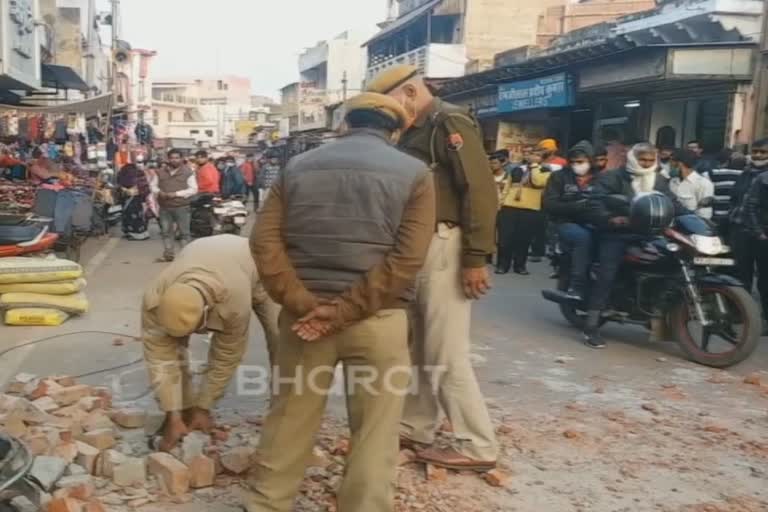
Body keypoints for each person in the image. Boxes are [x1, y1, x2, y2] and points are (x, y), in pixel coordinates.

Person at [244, 92, 435, 512]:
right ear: (396, 132)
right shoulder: (415, 172)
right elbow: (407, 260)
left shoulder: (297, 167)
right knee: (375, 429)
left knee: (289, 418)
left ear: (345, 124)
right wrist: (345, 311)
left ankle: (266, 504)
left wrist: (302, 302)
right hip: (378, 319)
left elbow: (263, 241)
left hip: (303, 319)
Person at [367, 64, 500, 470]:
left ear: (409, 92)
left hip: (446, 242)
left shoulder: (448, 121)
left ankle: (477, 445)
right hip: (418, 246)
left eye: (392, 104)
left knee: (445, 350)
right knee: (419, 345)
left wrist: (475, 257)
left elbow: (479, 191)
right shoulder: (413, 129)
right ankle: (417, 425)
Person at [142, 234, 280, 452]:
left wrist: (204, 405)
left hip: (256, 265)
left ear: (205, 316)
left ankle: (283, 413)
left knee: (280, 337)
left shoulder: (234, 301)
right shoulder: (155, 298)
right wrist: (173, 412)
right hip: (204, 254)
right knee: (172, 348)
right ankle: (182, 415)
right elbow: (160, 357)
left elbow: (227, 354)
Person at [585, 143, 680, 348]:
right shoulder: (611, 177)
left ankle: (655, 314)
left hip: (650, 234)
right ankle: (591, 326)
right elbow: (595, 203)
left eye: (650, 160)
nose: (646, 164)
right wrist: (612, 219)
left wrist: (693, 218)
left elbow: (674, 203)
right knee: (607, 274)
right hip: (616, 234)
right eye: (642, 159)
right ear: (632, 158)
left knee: (671, 264)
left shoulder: (660, 180)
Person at [543, 141, 599, 300]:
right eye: (573, 162)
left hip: (596, 222)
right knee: (582, 238)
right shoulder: (559, 177)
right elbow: (550, 204)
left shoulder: (601, 178)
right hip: (564, 223)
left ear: (590, 160)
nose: (577, 165)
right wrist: (578, 206)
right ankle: (576, 286)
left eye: (581, 161)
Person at [729, 138, 768, 318]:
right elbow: (735, 199)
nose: (758, 155)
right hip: (740, 231)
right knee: (741, 273)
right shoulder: (745, 173)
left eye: (763, 152)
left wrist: (760, 231)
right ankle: (742, 314)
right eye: (756, 151)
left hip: (762, 233)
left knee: (765, 279)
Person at [496, 149, 551, 275]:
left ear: (542, 159)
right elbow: (507, 187)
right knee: (505, 238)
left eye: (537, 155)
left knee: (524, 239)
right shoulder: (517, 169)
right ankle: (502, 265)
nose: (532, 157)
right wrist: (501, 203)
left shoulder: (545, 171)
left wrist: (534, 166)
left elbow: (538, 181)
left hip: (530, 208)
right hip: (509, 206)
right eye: (531, 154)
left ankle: (520, 265)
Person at [151, 149, 197, 262]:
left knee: (184, 233)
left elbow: (193, 189)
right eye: (172, 158)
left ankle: (186, 257)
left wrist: (176, 194)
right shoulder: (160, 172)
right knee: (166, 232)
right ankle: (168, 254)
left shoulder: (188, 172)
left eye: (177, 158)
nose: (174, 160)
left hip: (182, 206)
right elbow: (153, 185)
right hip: (165, 207)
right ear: (168, 159)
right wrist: (159, 192)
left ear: (181, 159)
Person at [531, 139, 564, 262]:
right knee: (537, 225)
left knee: (551, 226)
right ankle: (537, 250)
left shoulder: (561, 162)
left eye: (544, 149)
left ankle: (552, 251)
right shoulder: (540, 161)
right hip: (538, 197)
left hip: (553, 198)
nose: (542, 151)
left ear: (552, 150)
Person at [745, 159, 768, 325]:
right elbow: (751, 205)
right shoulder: (762, 179)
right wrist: (759, 232)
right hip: (764, 233)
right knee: (765, 279)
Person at [669, 149, 714, 219]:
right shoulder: (673, 182)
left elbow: (704, 216)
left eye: (672, 162)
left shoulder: (703, 184)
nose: (670, 165)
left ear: (680, 164)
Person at [710, 148, 746, 236]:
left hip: (717, 215)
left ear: (728, 161)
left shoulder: (714, 173)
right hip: (736, 217)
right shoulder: (746, 175)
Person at [117, 163, 151, 240]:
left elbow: (120, 184)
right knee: (137, 217)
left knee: (130, 217)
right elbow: (145, 188)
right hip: (137, 199)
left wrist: (124, 189)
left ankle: (135, 234)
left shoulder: (123, 174)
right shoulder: (139, 173)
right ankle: (138, 233)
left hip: (129, 199)